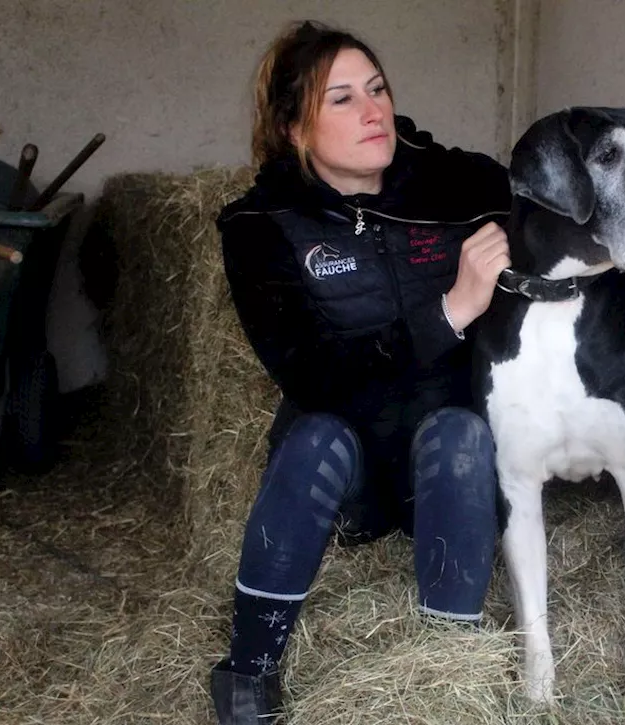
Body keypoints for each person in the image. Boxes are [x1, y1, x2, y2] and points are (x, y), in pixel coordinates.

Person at [210, 20, 512, 723]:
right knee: (313, 434)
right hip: (349, 473)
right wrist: (452, 310)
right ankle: (249, 668)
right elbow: (311, 373)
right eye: (340, 99)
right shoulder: (261, 226)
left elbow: (561, 223)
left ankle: (446, 667)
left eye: (376, 88)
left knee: (463, 433)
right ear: (293, 127)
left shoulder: (460, 184)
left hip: (448, 472)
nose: (373, 110)